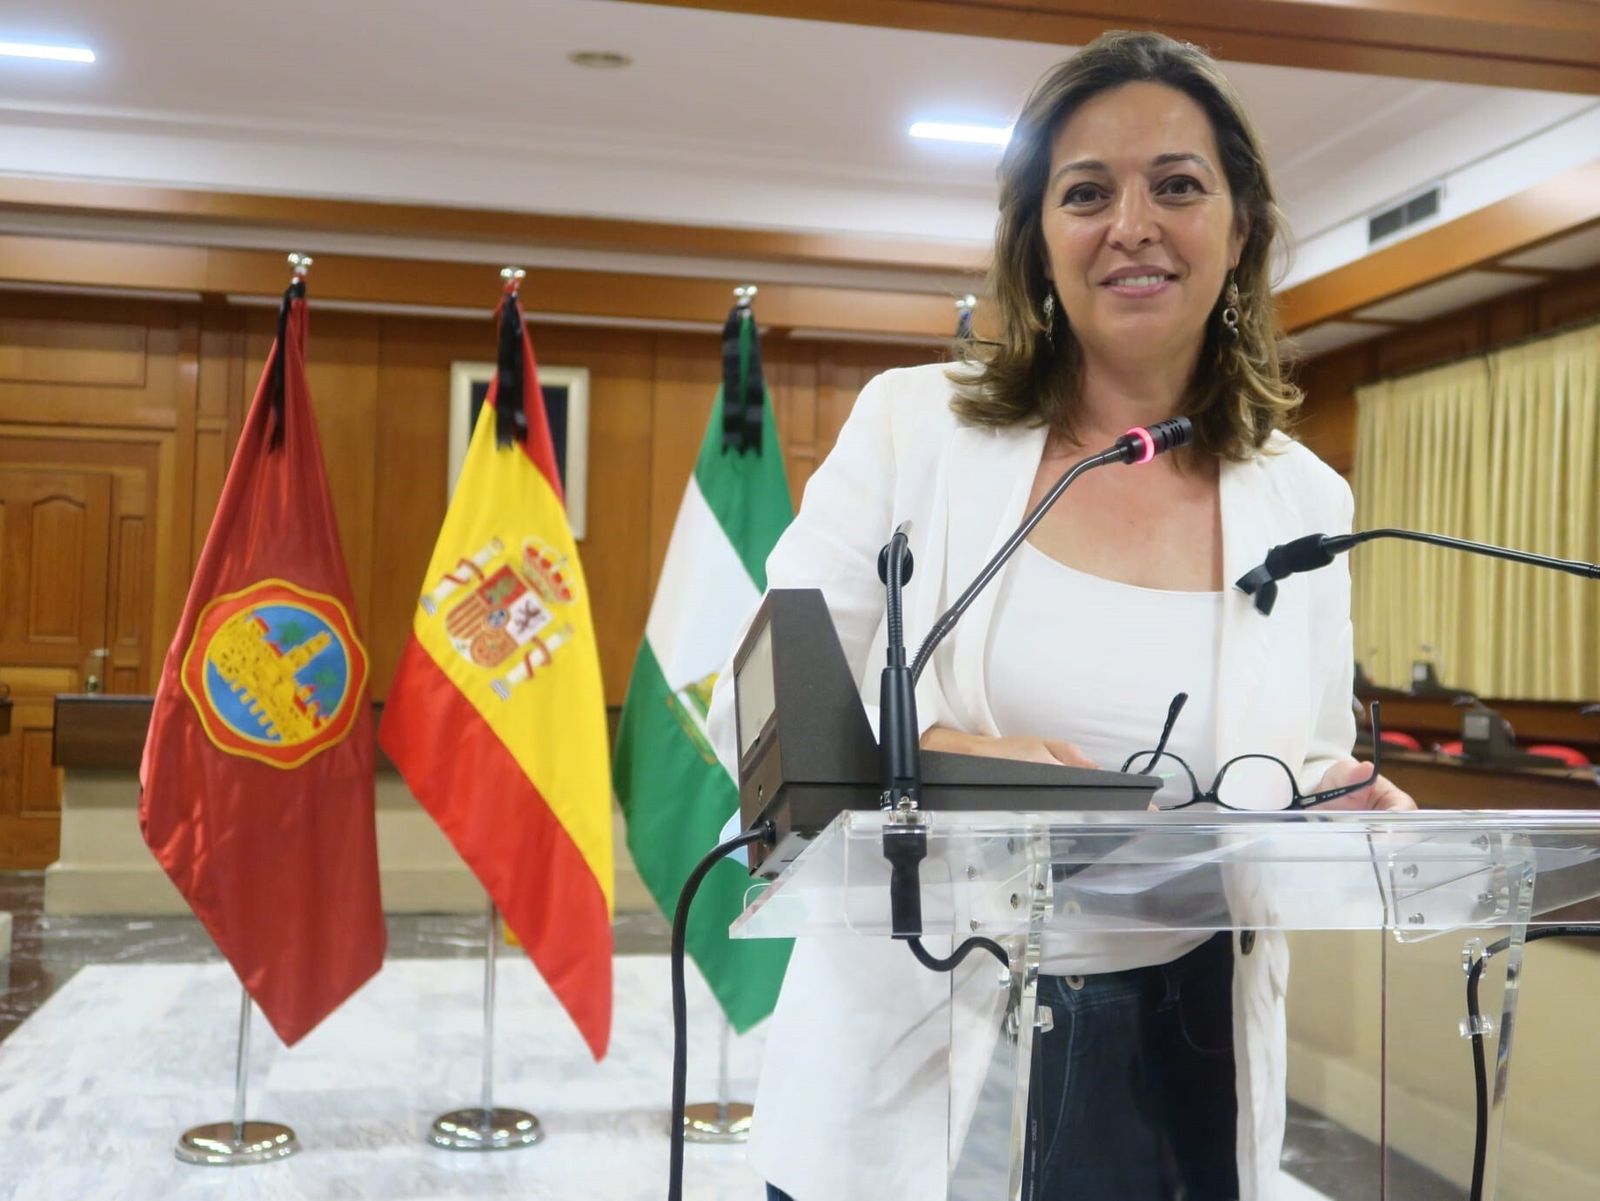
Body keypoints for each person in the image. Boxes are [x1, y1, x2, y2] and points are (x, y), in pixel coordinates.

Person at [706, 29, 1415, 1201]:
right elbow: (774, 696)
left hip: (1188, 1049)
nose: (1130, 222)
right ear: (1039, 244)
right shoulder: (913, 431)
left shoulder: (1307, 497)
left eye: (1176, 186)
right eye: (1085, 193)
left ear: (1240, 232)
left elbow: (1296, 759)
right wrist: (932, 762)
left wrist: (1332, 799)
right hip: (919, 1052)